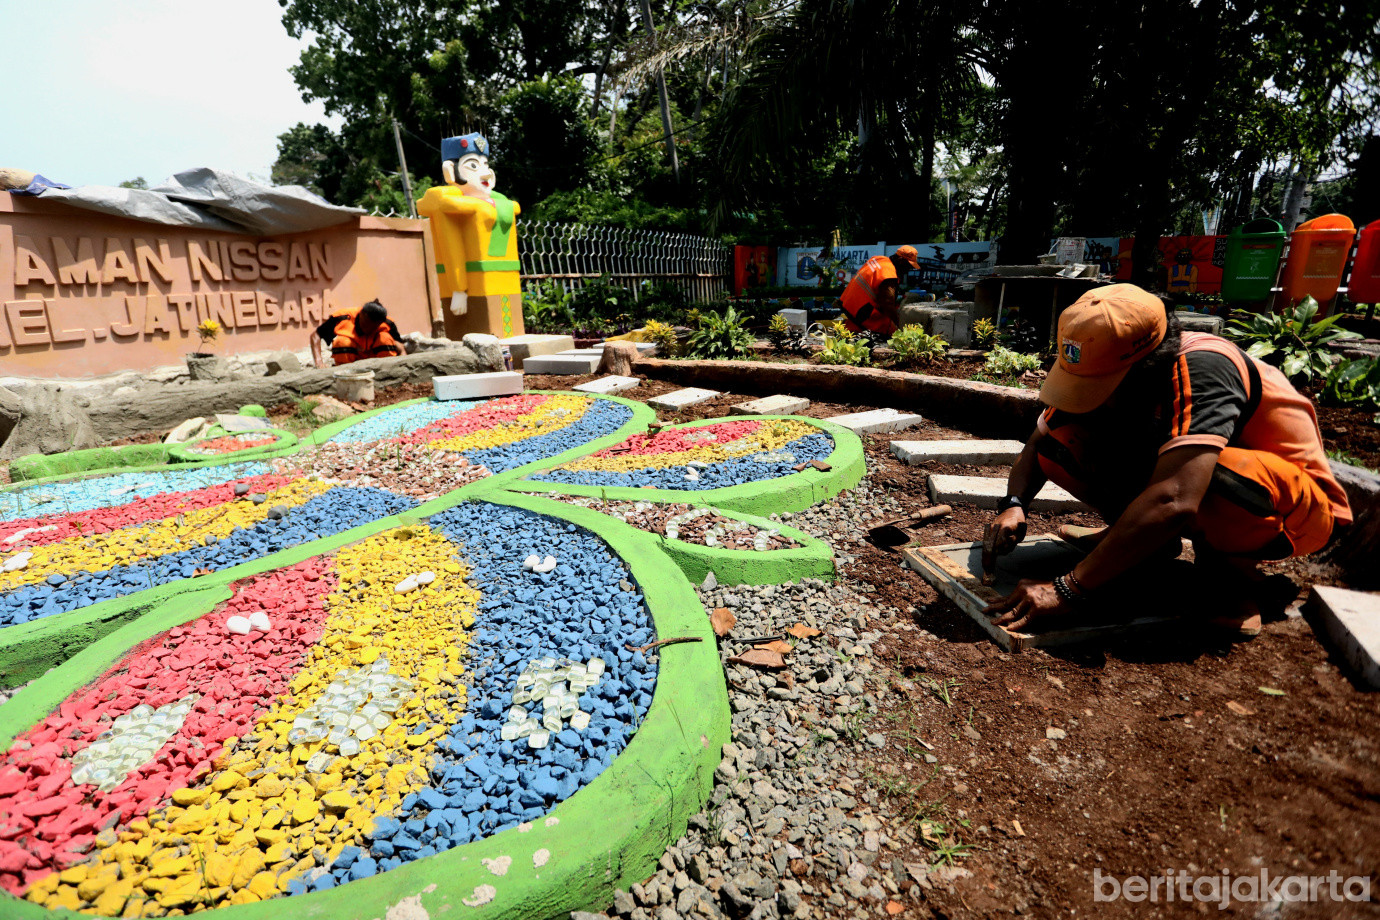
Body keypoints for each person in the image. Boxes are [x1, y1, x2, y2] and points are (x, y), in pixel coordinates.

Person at [981, 283, 1350, 638]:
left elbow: (1175, 499)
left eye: (1104, 385)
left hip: (1296, 512)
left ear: (1146, 367)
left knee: (1216, 473)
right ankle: (1144, 544)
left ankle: (1229, 579)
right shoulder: (1107, 357)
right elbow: (1038, 445)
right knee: (1065, 436)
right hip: (1215, 490)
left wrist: (1069, 588)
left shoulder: (1206, 368)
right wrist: (1013, 506)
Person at [838, 246, 922, 336]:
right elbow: (888, 305)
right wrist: (901, 326)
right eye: (908, 266)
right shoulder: (888, 274)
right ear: (901, 261)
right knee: (891, 331)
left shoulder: (879, 259)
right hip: (861, 315)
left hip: (848, 306)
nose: (907, 270)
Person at [309, 300, 404, 367]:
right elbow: (315, 335)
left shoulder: (388, 322)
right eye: (366, 324)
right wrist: (319, 362)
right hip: (351, 360)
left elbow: (400, 347)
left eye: (374, 327)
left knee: (385, 339)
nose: (368, 329)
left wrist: (403, 359)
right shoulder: (343, 317)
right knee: (342, 341)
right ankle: (345, 372)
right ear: (362, 314)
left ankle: (387, 371)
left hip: (377, 360)